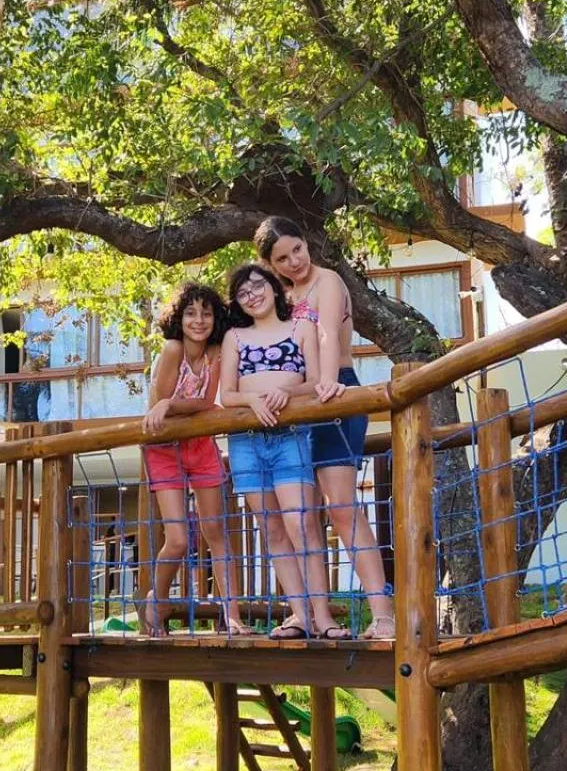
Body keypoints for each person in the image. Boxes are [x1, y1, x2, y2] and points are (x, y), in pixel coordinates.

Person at [254, 216, 397, 639]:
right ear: (270, 264)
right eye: (282, 258)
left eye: (297, 249)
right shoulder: (277, 295)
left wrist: (328, 380)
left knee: (341, 507)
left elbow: (326, 335)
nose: (294, 261)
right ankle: (311, 614)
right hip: (295, 403)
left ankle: (383, 614)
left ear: (305, 241)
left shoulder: (328, 281)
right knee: (301, 516)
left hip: (336, 393)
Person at [217, 263, 345, 639]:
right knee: (271, 528)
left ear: (274, 287)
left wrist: (285, 393)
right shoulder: (235, 337)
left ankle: (323, 617)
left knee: (301, 523)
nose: (252, 294)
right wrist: (254, 399)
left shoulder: (301, 328)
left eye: (258, 286)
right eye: (243, 293)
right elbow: (227, 394)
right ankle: (299, 614)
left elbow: (316, 382)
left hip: (290, 435)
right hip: (247, 441)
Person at [139, 282, 246, 636]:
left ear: (215, 318)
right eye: (190, 313)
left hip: (200, 442)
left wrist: (171, 403)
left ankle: (231, 615)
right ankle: (156, 601)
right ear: (178, 318)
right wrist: (167, 404)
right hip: (165, 446)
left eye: (206, 313)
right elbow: (161, 404)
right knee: (180, 539)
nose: (199, 320)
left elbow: (206, 402)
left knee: (215, 530)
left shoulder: (216, 352)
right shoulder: (172, 349)